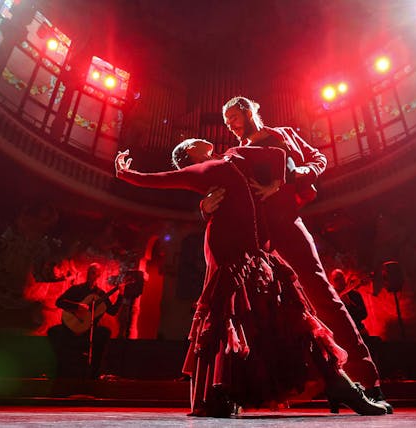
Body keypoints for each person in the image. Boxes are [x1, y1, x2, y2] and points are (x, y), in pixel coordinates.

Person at [115, 140, 386, 417]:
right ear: (188, 155)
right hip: (230, 250)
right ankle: (230, 391)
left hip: (254, 250)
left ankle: (337, 385)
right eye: (191, 142)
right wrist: (126, 173)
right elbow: (162, 179)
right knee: (238, 316)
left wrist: (275, 185)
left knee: (282, 316)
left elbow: (276, 155)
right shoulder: (201, 170)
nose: (198, 138)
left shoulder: (233, 156)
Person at [200, 96, 392, 412]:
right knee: (256, 308)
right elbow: (219, 187)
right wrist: (204, 207)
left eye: (234, 116)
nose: (230, 124)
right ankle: (267, 387)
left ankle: (366, 381)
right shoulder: (233, 153)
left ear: (249, 111)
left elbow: (317, 161)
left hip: (286, 223)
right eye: (227, 120)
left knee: (321, 294)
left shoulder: (284, 134)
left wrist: (284, 181)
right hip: (252, 234)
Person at [47, 262, 122, 379]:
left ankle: (95, 373)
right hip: (71, 328)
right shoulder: (77, 289)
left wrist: (121, 295)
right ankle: (60, 371)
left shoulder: (101, 294)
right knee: (53, 332)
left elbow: (112, 311)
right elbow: (59, 302)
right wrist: (77, 306)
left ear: (99, 275)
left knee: (104, 333)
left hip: (89, 330)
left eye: (94, 273)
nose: (91, 275)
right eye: (90, 272)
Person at [330, 269, 370, 338]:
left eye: (341, 277)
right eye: (336, 279)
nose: (339, 281)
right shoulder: (332, 298)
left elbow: (364, 314)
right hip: (343, 335)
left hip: (359, 331)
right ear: (332, 282)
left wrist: (349, 304)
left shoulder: (355, 294)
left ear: (344, 277)